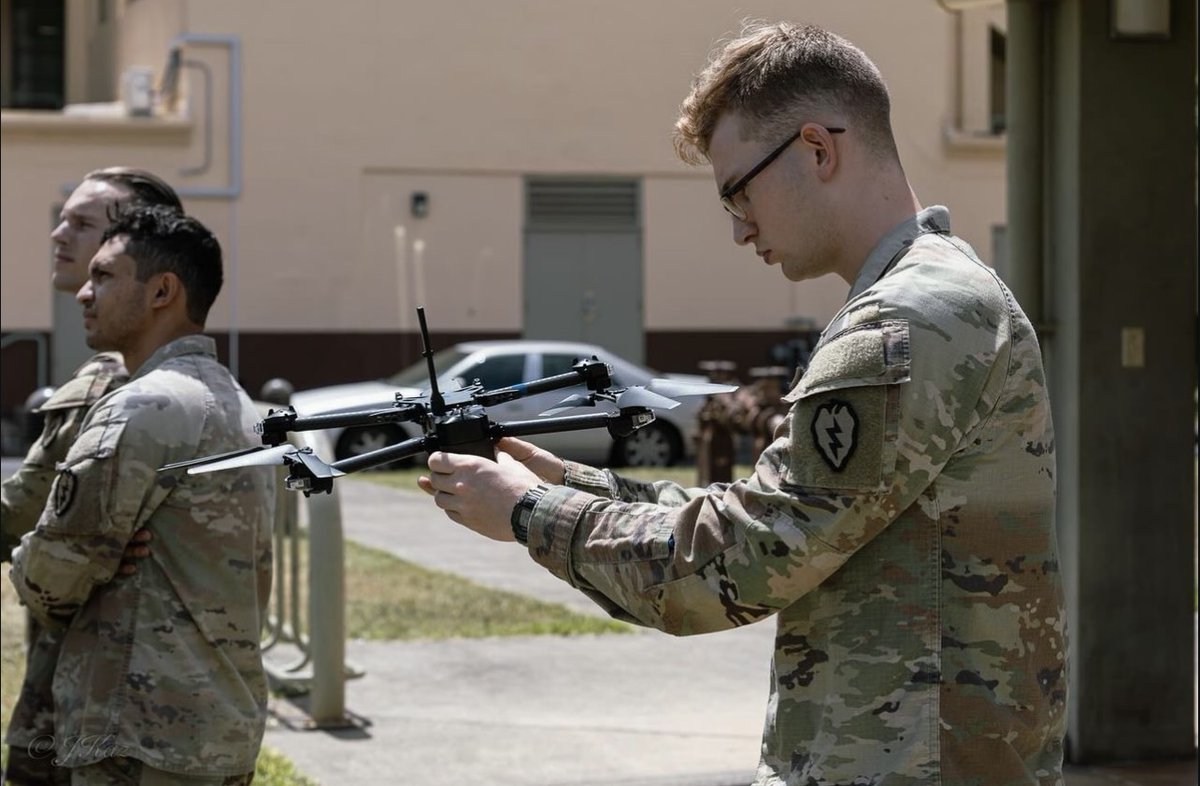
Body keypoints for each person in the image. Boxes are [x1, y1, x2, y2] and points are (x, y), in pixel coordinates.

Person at [421, 21, 1067, 786]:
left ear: (817, 150)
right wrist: (572, 484)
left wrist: (531, 513)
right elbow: (778, 508)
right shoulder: (929, 297)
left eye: (739, 190)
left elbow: (743, 561)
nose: (738, 228)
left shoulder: (904, 320)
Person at [8, 205, 274, 785]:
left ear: (162, 291)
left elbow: (52, 576)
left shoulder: (141, 406)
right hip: (215, 728)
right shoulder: (234, 400)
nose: (84, 293)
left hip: (138, 737)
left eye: (104, 275)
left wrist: (39, 561)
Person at [1, 167, 184, 786]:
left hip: (94, 699)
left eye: (81, 224)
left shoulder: (118, 378)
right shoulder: (153, 366)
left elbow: (17, 519)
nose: (58, 235)